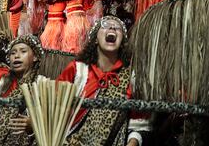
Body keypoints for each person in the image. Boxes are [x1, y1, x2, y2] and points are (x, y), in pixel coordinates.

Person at [58, 16, 150, 146]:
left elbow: (139, 121)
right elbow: (54, 104)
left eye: (117, 27)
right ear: (95, 38)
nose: (112, 27)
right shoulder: (77, 69)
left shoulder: (131, 77)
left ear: (122, 41)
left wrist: (133, 142)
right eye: (106, 25)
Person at [0, 34, 44, 146]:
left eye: (23, 51)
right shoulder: (2, 86)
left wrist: (33, 125)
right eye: (13, 53)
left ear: (35, 57)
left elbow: (53, 125)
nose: (16, 56)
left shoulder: (41, 85)